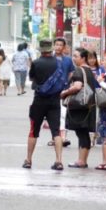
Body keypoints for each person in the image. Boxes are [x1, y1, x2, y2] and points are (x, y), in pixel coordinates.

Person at [24, 38, 73, 170]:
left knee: (33, 131)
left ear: (41, 50)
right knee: (56, 132)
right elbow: (65, 77)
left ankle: (28, 160)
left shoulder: (36, 63)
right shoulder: (58, 63)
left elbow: (32, 78)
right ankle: (58, 161)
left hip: (39, 100)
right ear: (51, 49)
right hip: (55, 100)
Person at [60, 48, 97, 169]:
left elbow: (77, 86)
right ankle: (83, 160)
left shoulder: (78, 71)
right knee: (84, 133)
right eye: (73, 56)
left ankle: (81, 161)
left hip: (79, 106)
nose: (74, 58)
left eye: (76, 56)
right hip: (89, 105)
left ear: (83, 58)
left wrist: (65, 92)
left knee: (81, 133)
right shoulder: (89, 71)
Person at [51, 37, 75, 148]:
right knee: (52, 115)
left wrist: (68, 84)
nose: (58, 47)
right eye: (56, 44)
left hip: (64, 90)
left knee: (63, 114)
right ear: (53, 45)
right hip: (50, 91)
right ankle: (54, 137)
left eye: (61, 45)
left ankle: (63, 137)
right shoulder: (49, 59)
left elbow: (71, 72)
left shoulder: (68, 60)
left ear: (64, 47)